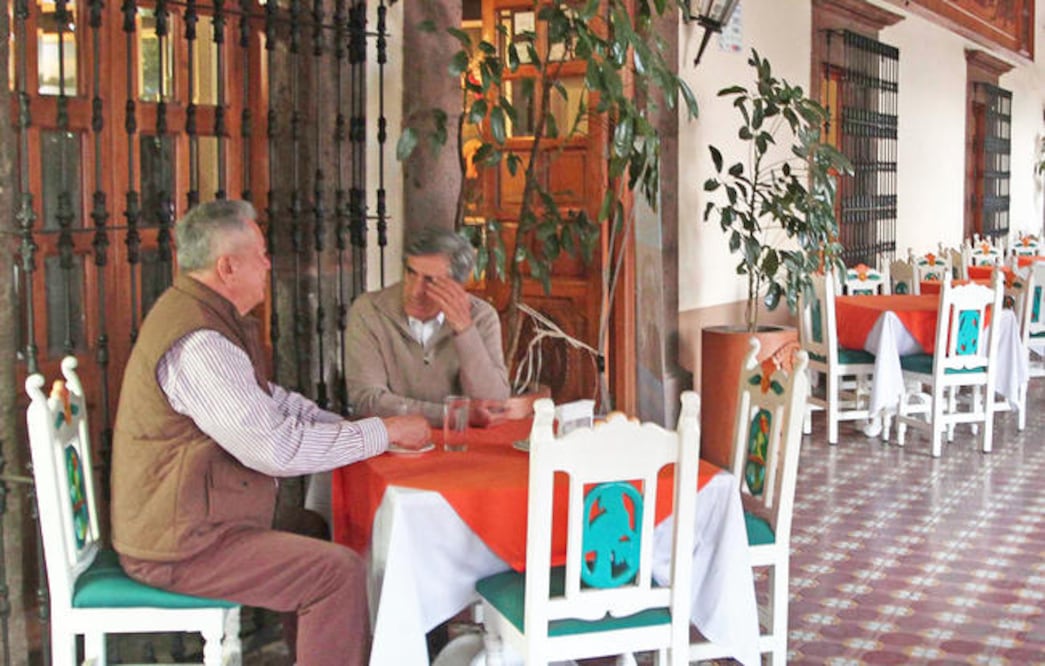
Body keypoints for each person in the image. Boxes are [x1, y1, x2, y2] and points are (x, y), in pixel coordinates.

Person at [110, 199, 430, 666]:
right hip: (181, 547)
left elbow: (271, 401)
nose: (267, 263)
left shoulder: (207, 315)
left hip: (199, 526)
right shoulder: (199, 341)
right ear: (227, 266)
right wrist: (379, 433)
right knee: (336, 572)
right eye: (260, 253)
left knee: (316, 531)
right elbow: (275, 449)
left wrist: (351, 429)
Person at [344, 225, 511, 423]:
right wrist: (453, 415)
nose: (415, 291)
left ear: (458, 286)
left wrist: (465, 331)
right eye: (411, 273)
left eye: (430, 281)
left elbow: (493, 403)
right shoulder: (368, 310)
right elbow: (367, 401)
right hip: (393, 444)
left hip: (462, 444)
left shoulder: (482, 316)